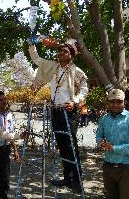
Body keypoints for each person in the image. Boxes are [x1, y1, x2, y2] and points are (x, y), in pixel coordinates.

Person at [28, 38, 88, 193]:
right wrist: (31, 44)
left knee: (71, 147)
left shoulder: (77, 71)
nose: (61, 53)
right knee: (62, 146)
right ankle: (67, 179)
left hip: (68, 111)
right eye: (60, 51)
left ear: (71, 55)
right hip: (55, 110)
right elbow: (36, 59)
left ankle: (77, 182)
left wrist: (75, 101)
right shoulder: (52, 66)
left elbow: (84, 89)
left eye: (65, 51)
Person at [95, 89, 129, 199]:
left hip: (128, 168)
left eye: (119, 101)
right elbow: (99, 136)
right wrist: (100, 144)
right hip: (108, 166)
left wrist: (114, 148)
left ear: (124, 102)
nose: (115, 105)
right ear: (108, 102)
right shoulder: (104, 119)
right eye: (112, 101)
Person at [0, 91, 20, 199]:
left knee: (5, 179)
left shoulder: (9, 114)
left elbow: (10, 133)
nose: (4, 101)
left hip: (6, 149)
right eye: (0, 100)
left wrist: (15, 149)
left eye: (4, 99)